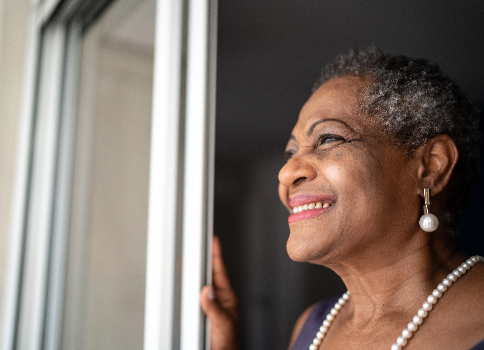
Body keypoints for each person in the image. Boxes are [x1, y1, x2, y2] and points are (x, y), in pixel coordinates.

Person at [200, 48, 484, 349]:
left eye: (328, 138)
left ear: (429, 167)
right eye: (291, 153)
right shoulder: (313, 325)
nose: (286, 173)